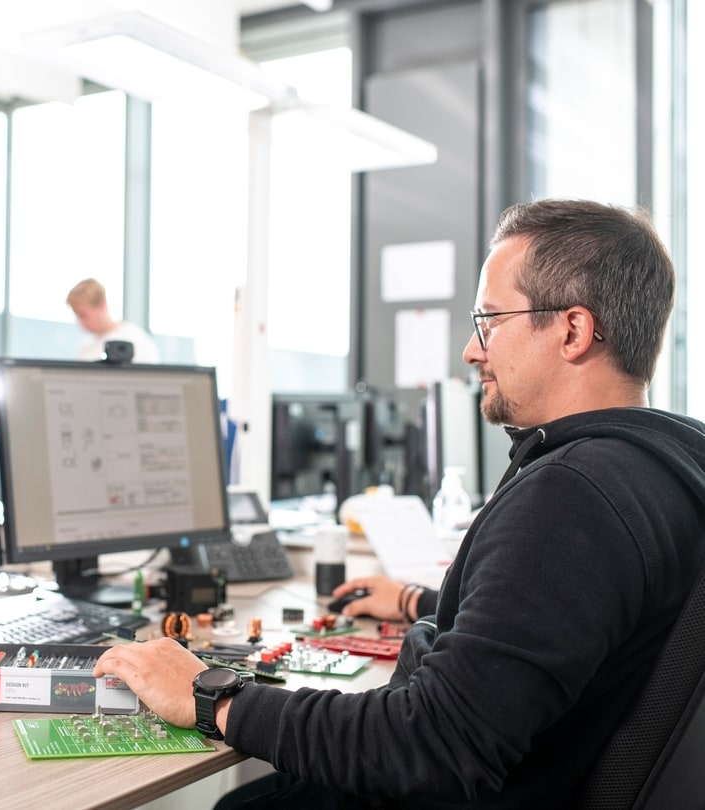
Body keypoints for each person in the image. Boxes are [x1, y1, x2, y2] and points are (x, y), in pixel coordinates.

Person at [93, 199, 705, 808]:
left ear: (572, 330)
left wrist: (211, 694)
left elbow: (433, 745)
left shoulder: (573, 494)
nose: (472, 349)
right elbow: (566, 619)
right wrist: (420, 601)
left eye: (490, 320)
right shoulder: (663, 463)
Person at [66, 278, 160, 363]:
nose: (80, 323)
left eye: (83, 315)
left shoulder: (137, 340)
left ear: (101, 305)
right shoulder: (85, 346)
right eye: (77, 316)